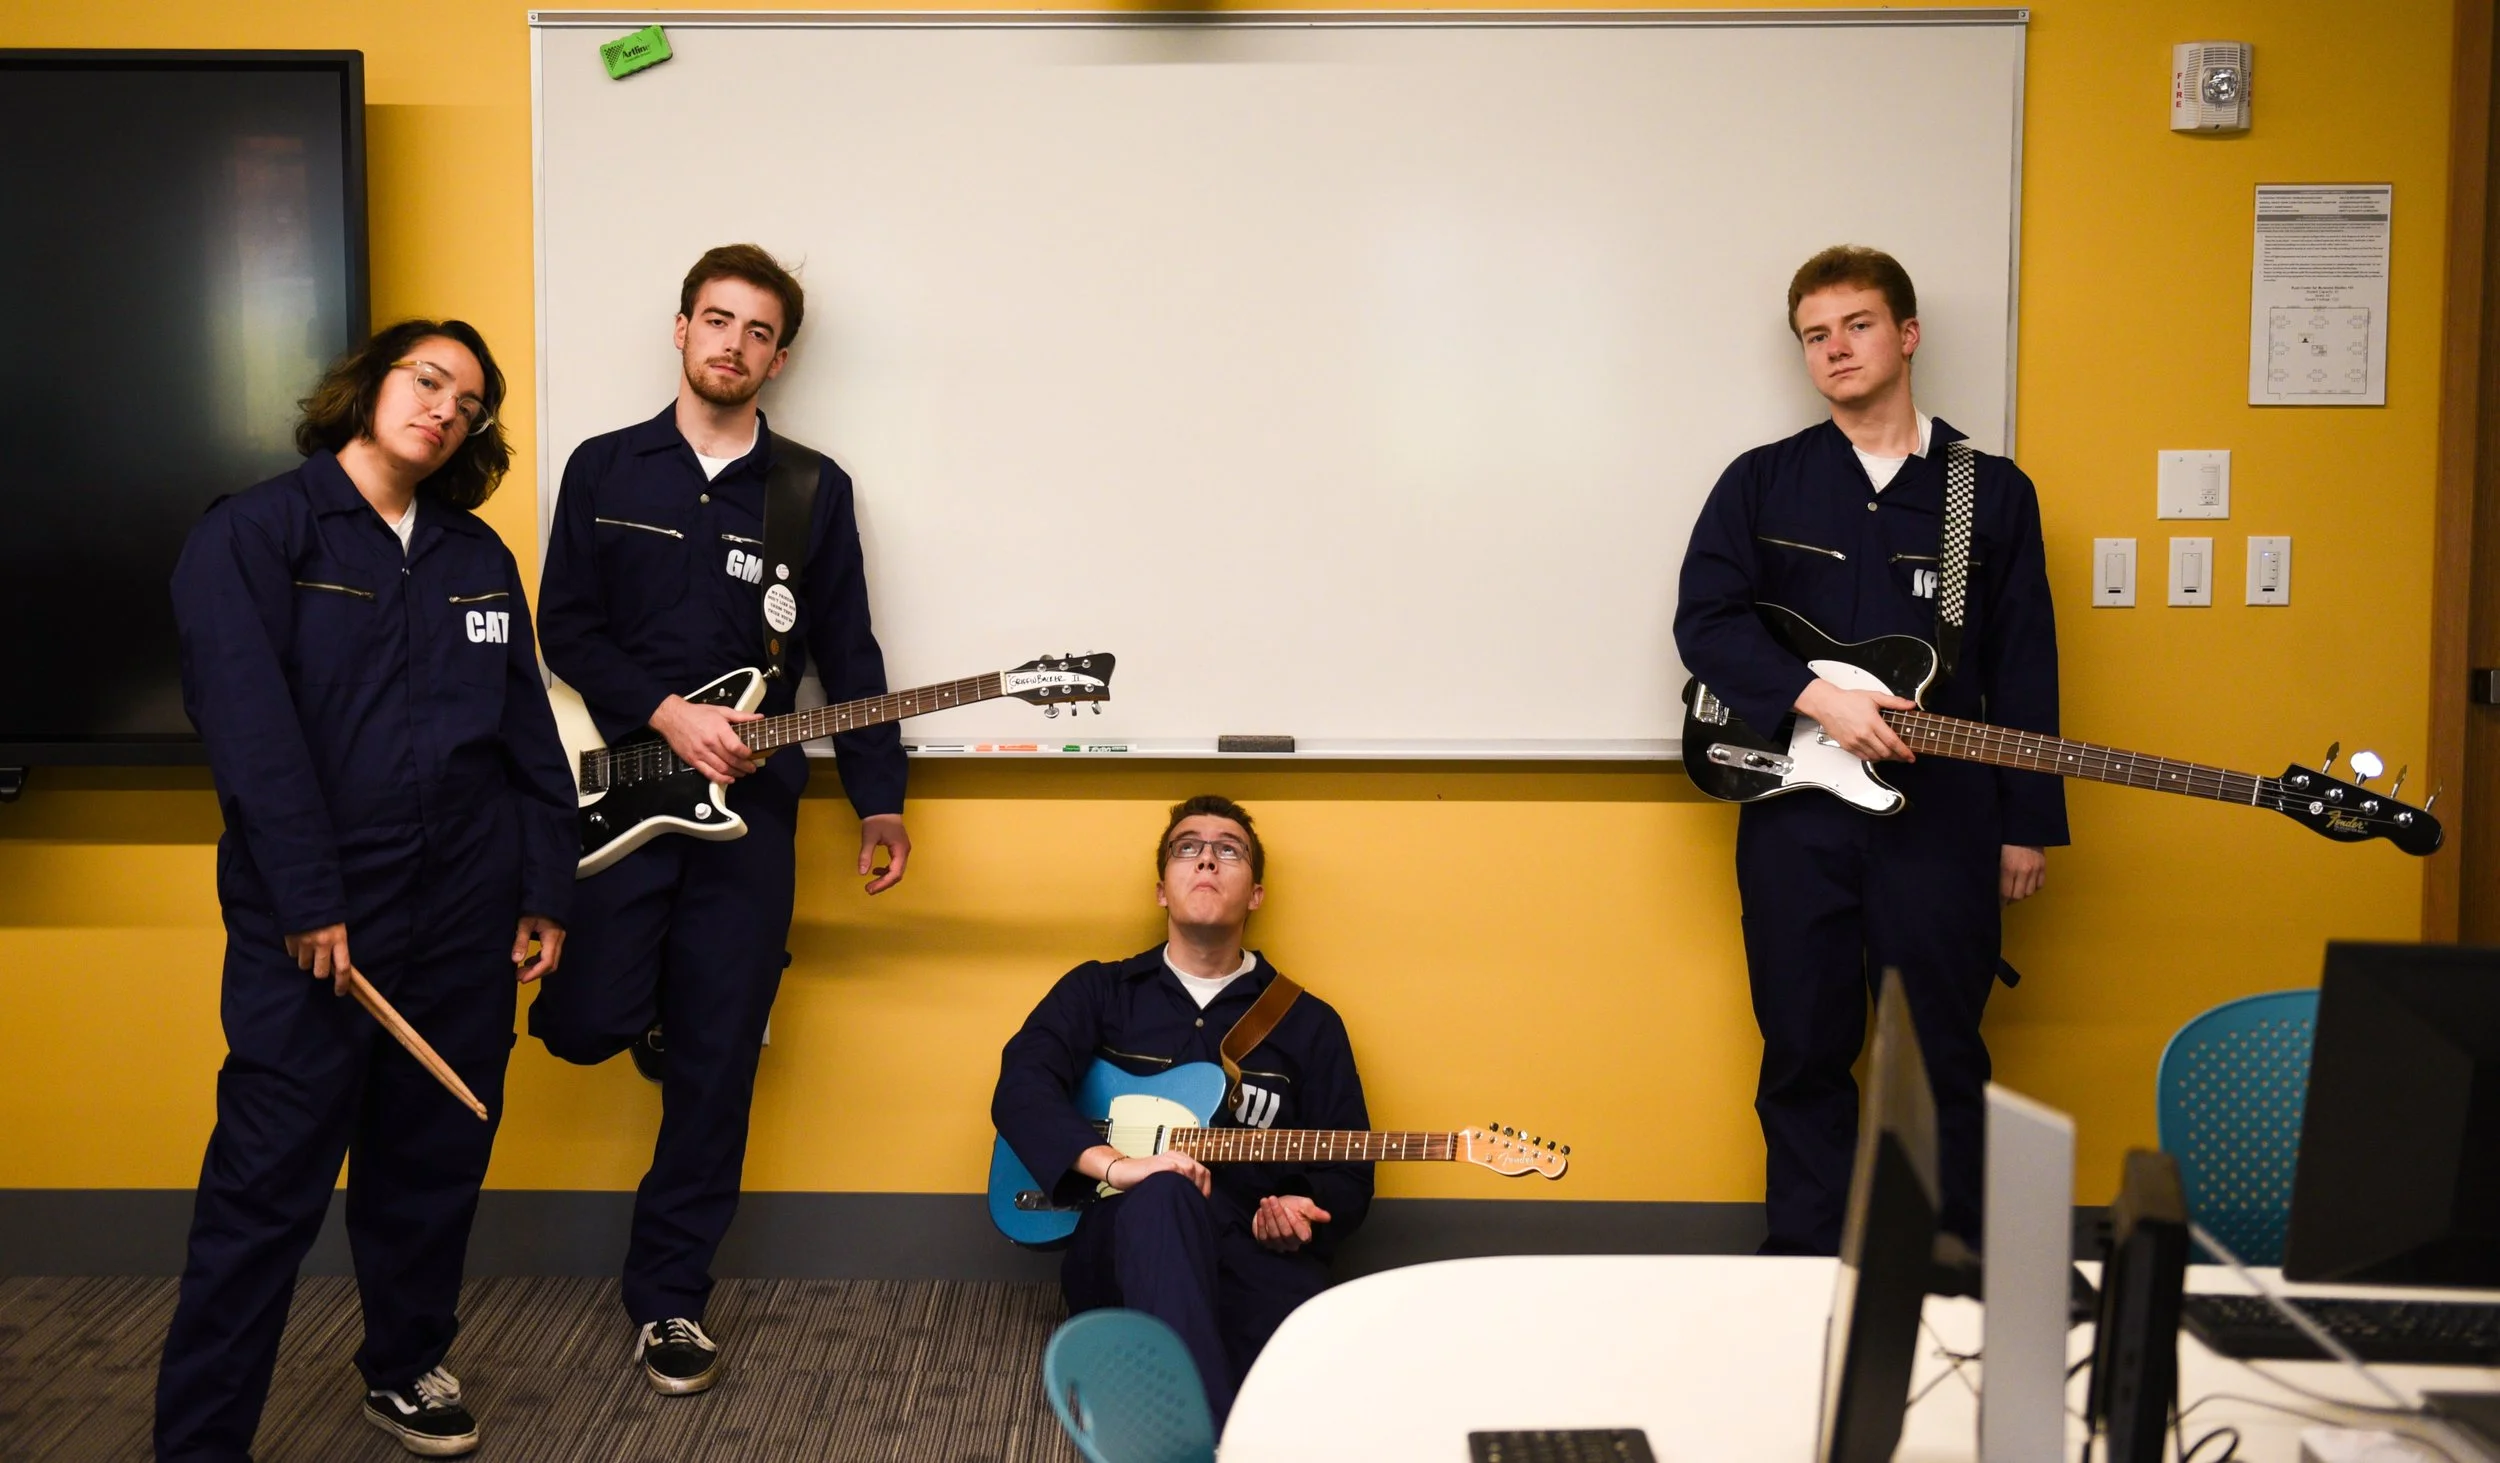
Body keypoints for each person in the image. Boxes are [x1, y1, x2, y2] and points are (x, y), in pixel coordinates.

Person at [156, 320, 575, 1460]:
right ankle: (201, 1439)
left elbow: (527, 734)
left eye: (468, 404)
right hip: (317, 925)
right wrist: (307, 899)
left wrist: (545, 886)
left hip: (466, 916)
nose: (445, 409)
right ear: (370, 384)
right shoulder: (253, 533)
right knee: (265, 1189)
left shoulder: (476, 557)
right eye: (428, 380)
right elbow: (249, 732)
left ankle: (403, 1366)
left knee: (431, 1167)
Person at [528, 244, 911, 1395]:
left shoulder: (811, 489)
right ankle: (652, 1009)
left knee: (718, 1064)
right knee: (582, 1020)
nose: (732, 343)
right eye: (716, 319)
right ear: (681, 329)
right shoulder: (605, 467)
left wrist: (880, 797)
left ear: (778, 358)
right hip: (615, 804)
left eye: (757, 330)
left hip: (754, 822)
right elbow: (565, 628)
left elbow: (849, 652)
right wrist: (663, 712)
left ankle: (670, 1300)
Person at [1673, 246, 2066, 1257]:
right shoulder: (1761, 482)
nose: (1835, 348)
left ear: (1907, 334)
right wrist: (1817, 700)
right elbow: (1706, 621)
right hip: (1794, 810)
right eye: (1815, 334)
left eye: (1856, 325)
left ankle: (1951, 1266)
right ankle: (1805, 1262)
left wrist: (2026, 823)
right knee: (1803, 1045)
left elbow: (2024, 664)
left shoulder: (1990, 493)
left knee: (1940, 1049)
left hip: (1945, 815)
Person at [992, 796, 1372, 1424]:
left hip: (1250, 1250)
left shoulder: (1310, 1024)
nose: (1207, 860)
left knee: (1320, 1383)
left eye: (1229, 850)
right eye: (1187, 848)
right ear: (1162, 890)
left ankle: (1194, 1419)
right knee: (1166, 1193)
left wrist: (1301, 1213)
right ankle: (1195, 1435)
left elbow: (1351, 1173)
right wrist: (1117, 1167)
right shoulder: (1100, 991)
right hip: (1124, 1243)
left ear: (1255, 894)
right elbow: (1021, 1087)